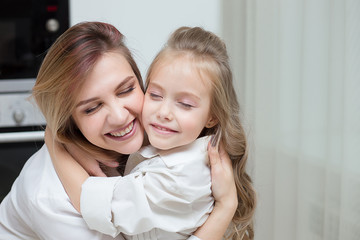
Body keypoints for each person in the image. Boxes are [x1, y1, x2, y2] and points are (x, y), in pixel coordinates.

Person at [0, 22, 237, 240]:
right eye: (92, 108)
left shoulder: (166, 135)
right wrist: (225, 208)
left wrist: (55, 137)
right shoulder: (49, 199)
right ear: (68, 118)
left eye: (125, 90)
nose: (120, 116)